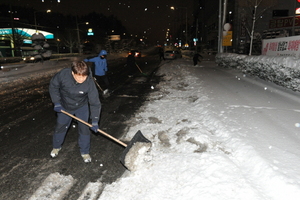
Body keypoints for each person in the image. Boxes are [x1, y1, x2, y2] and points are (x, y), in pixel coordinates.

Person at [49, 61, 101, 163]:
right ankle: (56, 147)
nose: (81, 79)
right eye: (78, 77)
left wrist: (95, 121)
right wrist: (57, 102)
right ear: (73, 73)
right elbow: (53, 86)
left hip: (81, 106)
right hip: (65, 106)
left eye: (84, 77)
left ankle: (85, 152)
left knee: (84, 129)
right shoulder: (63, 75)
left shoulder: (89, 82)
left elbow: (95, 103)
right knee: (61, 127)